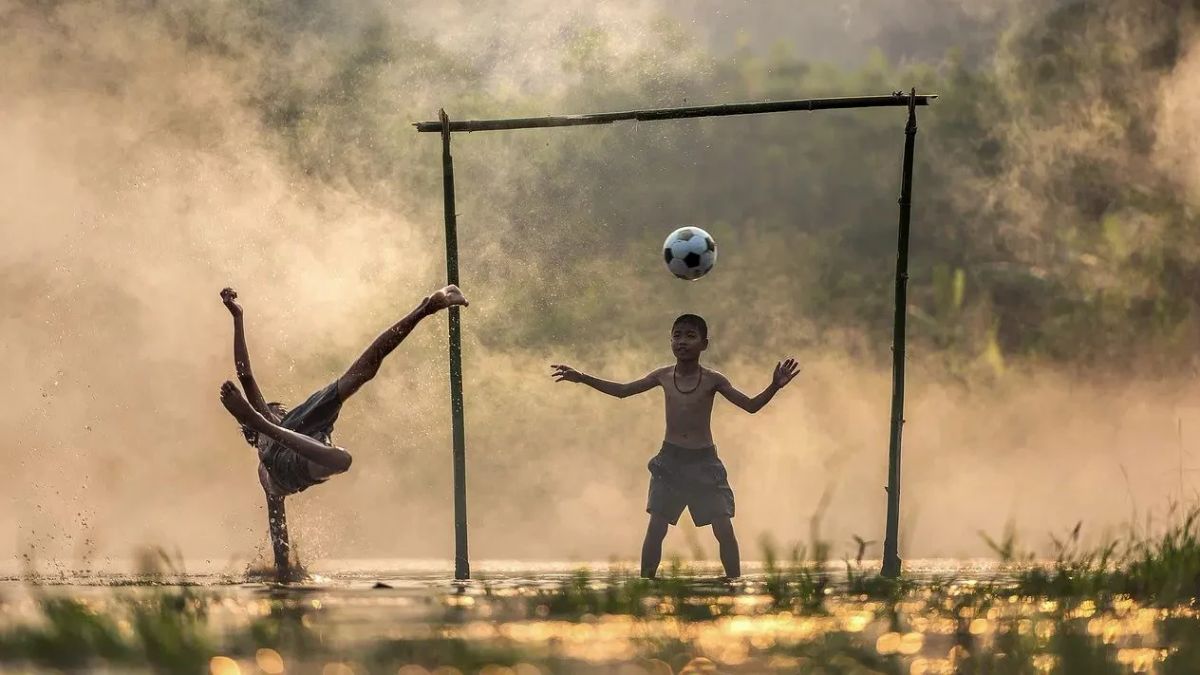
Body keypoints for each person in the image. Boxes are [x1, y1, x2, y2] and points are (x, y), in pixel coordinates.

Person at [217, 284, 468, 581]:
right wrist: (283, 566)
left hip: (304, 437)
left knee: (358, 375)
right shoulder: (267, 451)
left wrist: (238, 317)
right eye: (273, 412)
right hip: (288, 460)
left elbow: (246, 375)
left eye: (278, 412)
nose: (280, 411)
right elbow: (245, 375)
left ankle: (426, 307)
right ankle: (262, 425)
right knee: (339, 459)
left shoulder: (298, 419)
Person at [551, 314, 799, 579]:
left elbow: (750, 406)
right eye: (677, 335)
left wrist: (774, 386)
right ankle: (645, 585)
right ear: (670, 341)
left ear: (704, 344)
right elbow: (623, 390)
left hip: (704, 463)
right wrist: (583, 378)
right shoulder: (663, 376)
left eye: (690, 336)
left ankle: (733, 583)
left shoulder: (714, 380)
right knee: (656, 528)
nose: (682, 342)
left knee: (723, 529)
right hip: (670, 463)